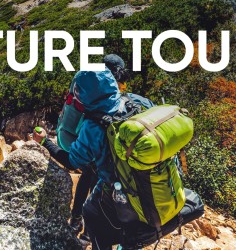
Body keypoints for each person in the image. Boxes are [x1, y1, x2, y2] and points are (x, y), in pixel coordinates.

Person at [34, 68, 157, 249]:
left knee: (91, 213)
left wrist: (45, 141)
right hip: (153, 183)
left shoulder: (94, 126)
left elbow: (71, 161)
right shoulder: (136, 100)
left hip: (121, 192)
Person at [69, 54, 130, 237]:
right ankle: (89, 231)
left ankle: (76, 218)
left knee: (86, 178)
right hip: (102, 143)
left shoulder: (92, 80)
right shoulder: (115, 88)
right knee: (97, 186)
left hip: (87, 137)